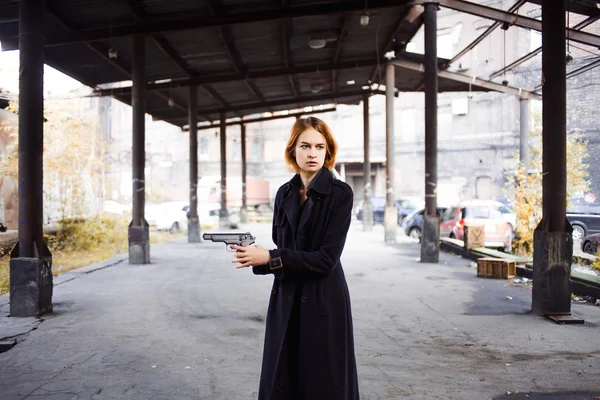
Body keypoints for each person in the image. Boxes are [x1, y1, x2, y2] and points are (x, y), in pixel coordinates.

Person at [230, 117, 359, 400]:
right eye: (305, 146)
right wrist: (257, 257)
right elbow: (283, 247)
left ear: (328, 152)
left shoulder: (340, 194)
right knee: (282, 377)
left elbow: (326, 260)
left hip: (323, 298)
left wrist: (271, 257)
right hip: (286, 297)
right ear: (293, 151)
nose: (312, 153)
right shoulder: (284, 193)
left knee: (322, 381)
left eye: (319, 147)